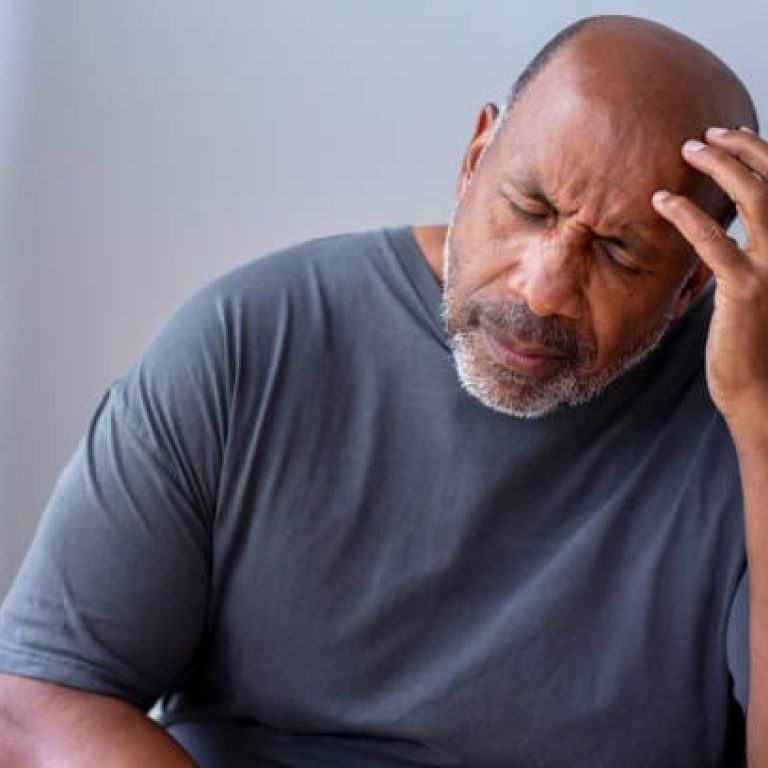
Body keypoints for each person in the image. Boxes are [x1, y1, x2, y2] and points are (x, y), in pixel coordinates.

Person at [0, 13, 765, 767]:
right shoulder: (253, 339)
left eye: (619, 253)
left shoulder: (741, 408)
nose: (542, 290)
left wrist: (761, 419)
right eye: (529, 208)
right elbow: (40, 700)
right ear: (473, 159)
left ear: (692, 279)